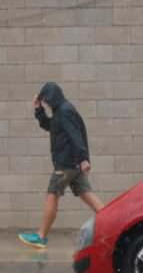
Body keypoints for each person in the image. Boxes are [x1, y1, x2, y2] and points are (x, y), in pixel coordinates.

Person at [18, 82, 104, 249]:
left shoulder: (65, 111)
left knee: (52, 195)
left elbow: (75, 136)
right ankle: (115, 224)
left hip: (66, 165)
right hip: (73, 165)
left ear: (52, 97)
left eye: (46, 101)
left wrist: (83, 159)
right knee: (87, 195)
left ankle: (41, 236)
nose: (47, 104)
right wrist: (38, 110)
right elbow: (50, 126)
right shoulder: (61, 110)